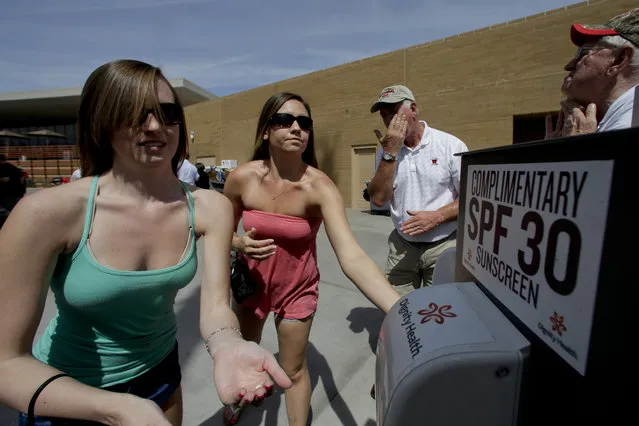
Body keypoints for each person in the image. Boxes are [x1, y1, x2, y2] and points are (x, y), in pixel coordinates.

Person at [0, 59, 291, 426]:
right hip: (66, 395)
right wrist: (117, 408)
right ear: (101, 123)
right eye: (134, 114)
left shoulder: (210, 207)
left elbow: (216, 305)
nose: (154, 126)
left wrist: (227, 344)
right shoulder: (45, 213)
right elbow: (6, 363)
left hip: (161, 377)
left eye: (167, 113)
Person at [223, 92, 400, 426]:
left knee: (293, 370)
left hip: (297, 290)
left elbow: (353, 258)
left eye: (303, 123)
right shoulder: (241, 179)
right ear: (265, 131)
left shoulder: (320, 187)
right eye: (283, 120)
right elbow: (222, 233)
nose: (295, 128)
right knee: (245, 356)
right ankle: (236, 402)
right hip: (252, 287)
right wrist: (239, 244)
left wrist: (403, 310)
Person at [366, 85, 468, 296]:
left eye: (394, 112)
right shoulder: (387, 152)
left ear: (413, 109)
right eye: (384, 116)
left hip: (443, 246)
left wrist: (437, 216)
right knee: (397, 309)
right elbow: (378, 199)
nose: (389, 121)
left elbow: (473, 196)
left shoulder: (450, 145)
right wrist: (390, 152)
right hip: (402, 248)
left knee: (440, 311)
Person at [546, 8, 639, 138]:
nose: (568, 66)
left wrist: (577, 150)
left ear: (618, 60)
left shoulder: (627, 130)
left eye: (582, 54)